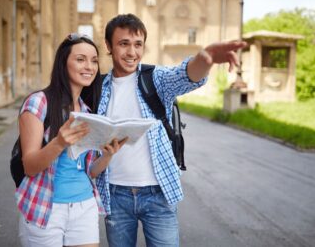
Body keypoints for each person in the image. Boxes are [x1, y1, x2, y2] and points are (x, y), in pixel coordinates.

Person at [95, 13, 247, 247]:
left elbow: (184, 76)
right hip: (115, 195)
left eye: (138, 45)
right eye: (124, 44)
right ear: (108, 46)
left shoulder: (154, 79)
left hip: (158, 194)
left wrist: (205, 60)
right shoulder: (98, 88)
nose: (132, 52)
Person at [15, 33, 126, 247]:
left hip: (85, 206)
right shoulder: (39, 102)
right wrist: (58, 143)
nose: (89, 66)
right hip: (46, 208)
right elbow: (29, 166)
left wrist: (108, 155)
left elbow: (89, 171)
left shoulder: (86, 111)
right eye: (80, 59)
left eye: (94, 61)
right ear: (63, 63)